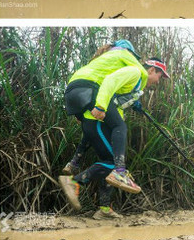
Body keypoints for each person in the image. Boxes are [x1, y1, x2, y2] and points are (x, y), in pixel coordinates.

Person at [58, 42, 169, 215]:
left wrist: (130, 102)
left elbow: (114, 102)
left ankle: (104, 208)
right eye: (160, 77)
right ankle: (84, 179)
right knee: (117, 138)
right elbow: (109, 82)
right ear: (153, 70)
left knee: (107, 158)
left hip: (78, 94)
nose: (158, 82)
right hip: (90, 92)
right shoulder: (136, 71)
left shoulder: (115, 63)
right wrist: (101, 107)